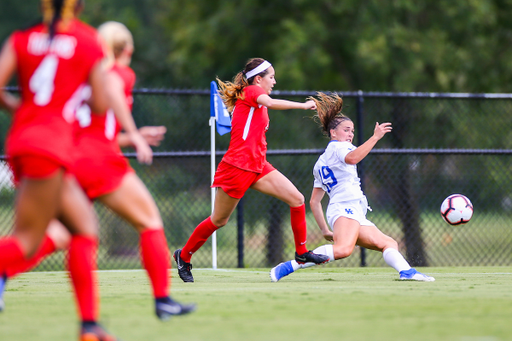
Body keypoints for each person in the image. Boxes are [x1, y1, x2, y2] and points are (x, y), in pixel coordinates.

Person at [0, 21, 196, 321]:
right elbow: (114, 91)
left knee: (61, 233)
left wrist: (133, 136)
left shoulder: (79, 77)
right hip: (101, 161)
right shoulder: (116, 72)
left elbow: (94, 128)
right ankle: (162, 299)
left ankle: (5, 273)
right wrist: (135, 134)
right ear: (126, 49)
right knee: (150, 221)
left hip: (72, 159)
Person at [0, 0, 121, 340]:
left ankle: (89, 326)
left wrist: (18, 108)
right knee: (26, 242)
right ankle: (89, 326)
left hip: (22, 142)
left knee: (83, 228)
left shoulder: (21, 38)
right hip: (50, 147)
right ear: (78, 6)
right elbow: (99, 104)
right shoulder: (87, 42)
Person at [173, 58, 330, 283]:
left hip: (258, 165)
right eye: (271, 77)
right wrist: (303, 105)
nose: (274, 81)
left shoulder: (255, 98)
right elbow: (273, 103)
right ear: (258, 79)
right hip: (237, 167)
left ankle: (301, 253)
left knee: (297, 199)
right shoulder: (252, 91)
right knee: (218, 220)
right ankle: (184, 255)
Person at [270, 93, 435, 282]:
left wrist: (324, 229)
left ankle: (407, 272)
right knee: (343, 250)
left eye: (352, 131)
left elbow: (315, 201)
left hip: (348, 211)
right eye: (346, 130)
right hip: (345, 209)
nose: (350, 135)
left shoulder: (322, 161)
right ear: (333, 133)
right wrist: (375, 137)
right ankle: (287, 267)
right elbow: (353, 158)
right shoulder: (340, 148)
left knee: (388, 243)